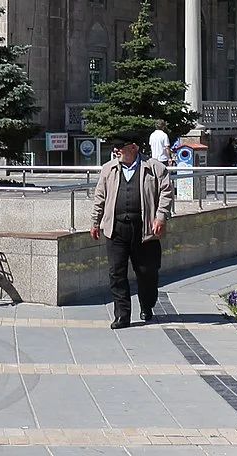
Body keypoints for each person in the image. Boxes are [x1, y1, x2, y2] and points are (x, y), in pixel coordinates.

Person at [89, 131, 175, 329]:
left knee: (147, 273)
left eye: (120, 147)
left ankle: (147, 303)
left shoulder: (155, 168)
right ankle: (122, 315)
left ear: (134, 147)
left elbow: (166, 193)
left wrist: (160, 217)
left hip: (144, 230)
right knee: (116, 273)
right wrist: (95, 222)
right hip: (116, 229)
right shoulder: (108, 169)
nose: (116, 150)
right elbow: (99, 197)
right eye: (115, 147)